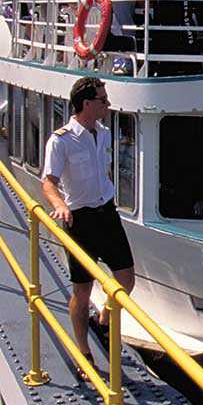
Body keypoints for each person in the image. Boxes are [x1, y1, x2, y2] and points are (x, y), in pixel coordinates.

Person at [41, 76, 135, 363]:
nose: (108, 105)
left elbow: (101, 171)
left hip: (106, 213)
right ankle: (83, 352)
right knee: (82, 293)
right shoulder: (61, 141)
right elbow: (48, 182)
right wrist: (60, 206)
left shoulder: (103, 132)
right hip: (80, 221)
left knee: (126, 280)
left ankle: (104, 320)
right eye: (103, 101)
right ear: (86, 104)